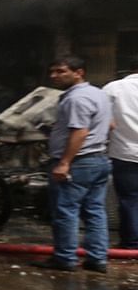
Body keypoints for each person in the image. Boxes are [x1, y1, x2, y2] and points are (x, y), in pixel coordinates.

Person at [34, 56, 112, 272]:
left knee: (66, 211)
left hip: (78, 163)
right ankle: (97, 259)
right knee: (95, 211)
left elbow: (80, 131)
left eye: (61, 71)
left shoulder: (76, 98)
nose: (54, 76)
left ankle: (65, 258)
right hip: (98, 159)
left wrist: (64, 163)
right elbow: (110, 125)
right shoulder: (99, 94)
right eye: (52, 71)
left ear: (79, 72)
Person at [104, 56, 138, 251]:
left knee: (130, 199)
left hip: (126, 153)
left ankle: (132, 243)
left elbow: (104, 121)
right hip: (125, 152)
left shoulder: (113, 88)